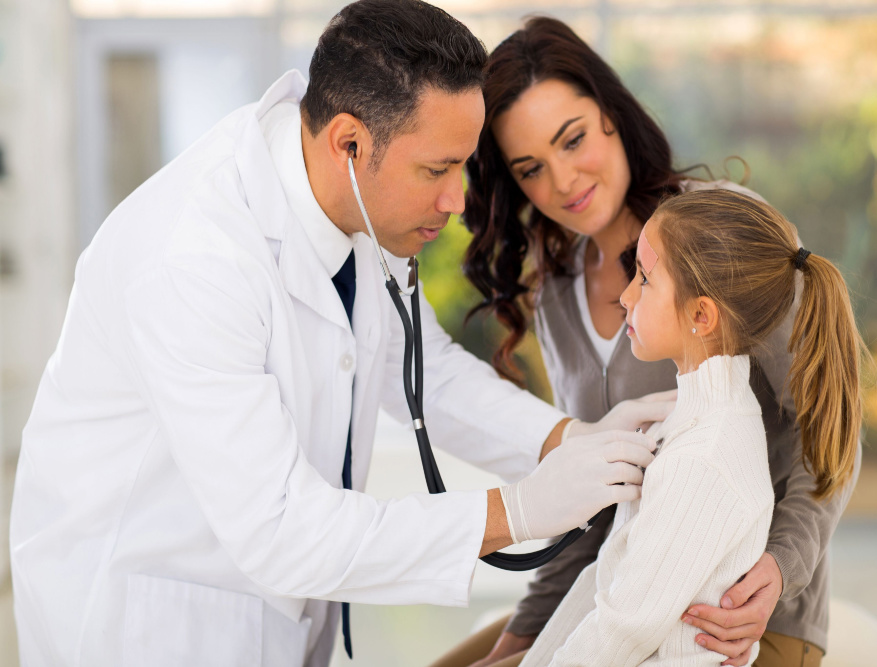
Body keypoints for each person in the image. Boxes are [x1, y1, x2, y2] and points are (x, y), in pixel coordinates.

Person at [8, 3, 668, 666]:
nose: (456, 200)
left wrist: (570, 440)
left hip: (270, 619)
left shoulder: (356, 200)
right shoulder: (192, 259)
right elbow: (281, 530)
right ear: (349, 143)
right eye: (436, 170)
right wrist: (517, 512)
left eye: (461, 167)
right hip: (146, 629)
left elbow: (420, 367)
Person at [440, 17, 861, 667]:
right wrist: (519, 637)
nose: (563, 181)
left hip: (729, 623)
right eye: (531, 169)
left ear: (611, 112)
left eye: (572, 139)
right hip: (622, 592)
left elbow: (828, 428)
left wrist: (781, 567)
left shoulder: (719, 239)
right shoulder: (555, 290)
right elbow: (596, 505)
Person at [518, 188, 865, 666]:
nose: (624, 297)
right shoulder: (686, 422)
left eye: (644, 280)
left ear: (701, 315)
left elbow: (625, 628)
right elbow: (611, 585)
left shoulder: (703, 459)